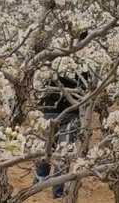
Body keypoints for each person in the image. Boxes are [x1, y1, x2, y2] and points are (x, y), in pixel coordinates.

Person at [33, 71, 86, 199]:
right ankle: (45, 187)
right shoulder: (83, 61)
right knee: (59, 151)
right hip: (62, 109)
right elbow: (86, 87)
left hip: (58, 110)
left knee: (52, 150)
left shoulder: (50, 59)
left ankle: (43, 186)